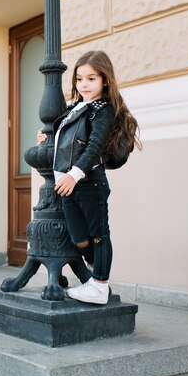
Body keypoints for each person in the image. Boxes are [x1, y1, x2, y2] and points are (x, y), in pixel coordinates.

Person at [38, 50, 141, 305]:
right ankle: (97, 276)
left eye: (92, 79)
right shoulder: (76, 107)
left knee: (98, 235)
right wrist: (46, 138)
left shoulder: (102, 109)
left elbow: (93, 146)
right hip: (69, 185)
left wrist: (74, 175)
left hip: (88, 182)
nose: (84, 84)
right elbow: (67, 140)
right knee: (80, 239)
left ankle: (99, 286)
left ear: (105, 80)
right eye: (80, 78)